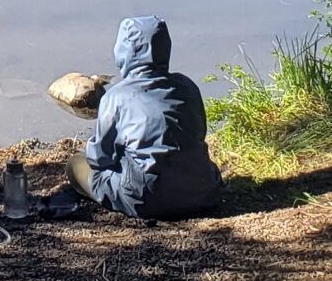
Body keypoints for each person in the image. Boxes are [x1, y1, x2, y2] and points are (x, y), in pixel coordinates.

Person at [69, 16, 221, 219]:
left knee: (75, 164)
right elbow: (199, 133)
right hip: (202, 192)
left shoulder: (117, 96)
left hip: (145, 199)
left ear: (124, 51)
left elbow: (100, 158)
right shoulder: (187, 86)